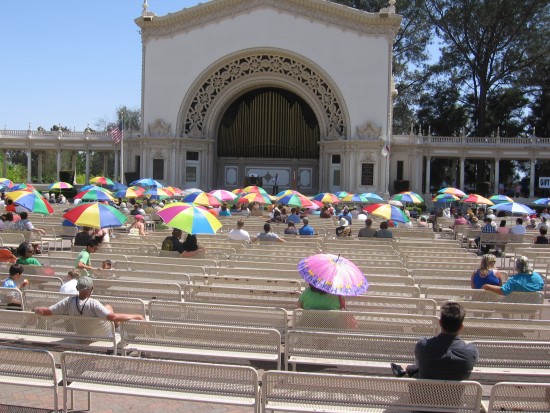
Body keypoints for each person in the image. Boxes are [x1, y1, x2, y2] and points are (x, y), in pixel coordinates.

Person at [390, 302, 478, 380]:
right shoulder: (471, 351)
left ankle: (404, 367)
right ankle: (405, 367)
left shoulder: (423, 345)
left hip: (422, 396)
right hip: (454, 397)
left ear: (440, 323)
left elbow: (420, 363)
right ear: (461, 327)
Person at [34, 276, 144, 325]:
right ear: (92, 288)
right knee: (109, 308)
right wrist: (136, 316)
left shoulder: (68, 301)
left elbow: (45, 311)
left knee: (108, 307)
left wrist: (35, 308)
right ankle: (119, 332)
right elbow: (113, 317)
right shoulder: (93, 304)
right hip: (100, 333)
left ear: (77, 288)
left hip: (79, 332)